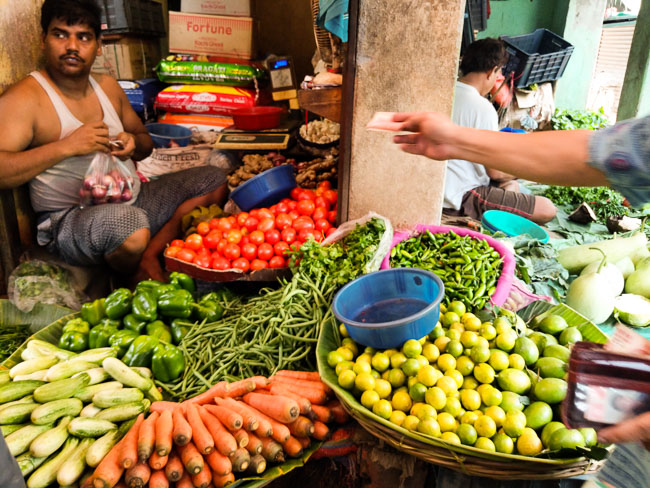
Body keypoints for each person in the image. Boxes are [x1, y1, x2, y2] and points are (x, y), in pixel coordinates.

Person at [0, 0, 227, 283]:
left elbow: (145, 144)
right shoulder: (25, 98)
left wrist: (132, 142)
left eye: (83, 37)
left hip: (135, 199)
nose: (72, 46)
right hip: (71, 220)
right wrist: (66, 146)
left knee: (213, 179)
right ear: (43, 39)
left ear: (98, 45)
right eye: (60, 34)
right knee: (129, 226)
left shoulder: (107, 86)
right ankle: (129, 274)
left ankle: (147, 255)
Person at [391, 112, 650, 208]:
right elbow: (606, 155)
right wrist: (453, 140)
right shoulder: (482, 107)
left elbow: (604, 154)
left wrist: (455, 140)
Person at [442, 38, 556, 225]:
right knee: (546, 208)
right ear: (491, 71)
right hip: (460, 196)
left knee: (511, 186)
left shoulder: (443, 93)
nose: (497, 79)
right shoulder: (482, 107)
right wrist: (522, 168)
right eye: (498, 73)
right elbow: (495, 172)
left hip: (443, 187)